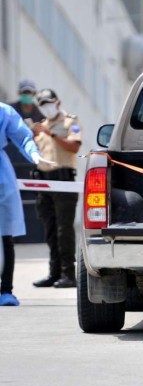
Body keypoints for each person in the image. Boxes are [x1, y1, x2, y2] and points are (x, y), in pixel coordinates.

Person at [31, 89, 82, 288]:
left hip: (63, 182)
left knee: (64, 230)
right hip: (44, 183)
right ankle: (54, 273)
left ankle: (68, 274)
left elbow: (74, 147)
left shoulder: (71, 122)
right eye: (42, 104)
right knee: (49, 229)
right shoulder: (41, 127)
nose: (46, 107)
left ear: (57, 103)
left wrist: (51, 134)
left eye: (49, 103)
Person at [0, 103, 46, 305]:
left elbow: (23, 136)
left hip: (1, 178)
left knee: (5, 235)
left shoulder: (3, 112)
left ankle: (5, 290)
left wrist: (34, 155)